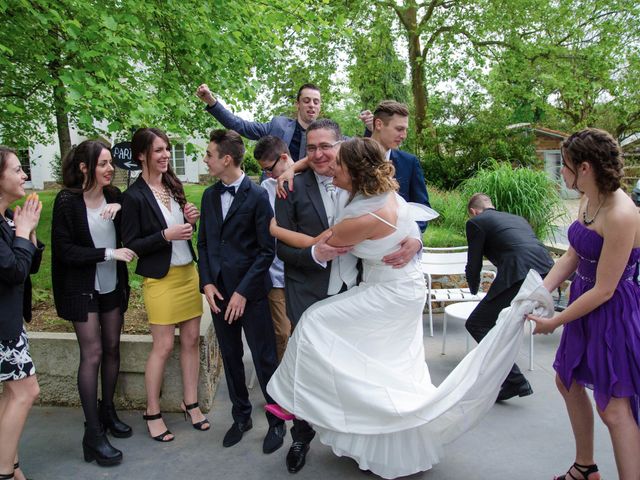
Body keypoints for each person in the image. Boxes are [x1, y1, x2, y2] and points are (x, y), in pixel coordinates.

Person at [267, 136, 551, 479]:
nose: (329, 166)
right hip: (387, 286)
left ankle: (295, 400)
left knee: (314, 324)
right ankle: (364, 439)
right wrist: (292, 167)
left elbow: (319, 242)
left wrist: (273, 229)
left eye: (338, 163)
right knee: (383, 369)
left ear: (355, 171)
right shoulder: (379, 191)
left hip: (387, 289)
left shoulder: (364, 213)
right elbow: (401, 214)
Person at [271, 120, 424, 474]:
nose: (319, 155)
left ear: (342, 150)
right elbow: (281, 248)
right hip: (310, 287)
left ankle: (360, 437)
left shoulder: (364, 187)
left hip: (361, 285)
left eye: (327, 147)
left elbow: (408, 217)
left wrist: (416, 242)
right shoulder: (290, 187)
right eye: (310, 149)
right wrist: (309, 252)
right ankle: (300, 436)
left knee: (368, 371)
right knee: (310, 347)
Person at [528, 128, 640, 480]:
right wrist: (542, 290)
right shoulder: (588, 198)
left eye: (565, 165)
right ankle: (585, 466)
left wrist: (554, 322)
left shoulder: (622, 213)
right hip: (584, 300)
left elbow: (606, 289)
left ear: (586, 168)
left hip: (612, 311)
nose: (562, 171)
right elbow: (575, 253)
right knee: (567, 380)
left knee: (614, 408)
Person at [197, 130, 285, 453]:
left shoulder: (258, 195)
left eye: (209, 154)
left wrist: (243, 292)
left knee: (264, 358)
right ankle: (241, 416)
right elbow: (204, 243)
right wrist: (206, 282)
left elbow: (266, 250)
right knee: (231, 358)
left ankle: (277, 422)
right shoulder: (208, 196)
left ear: (226, 159)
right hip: (218, 295)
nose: (205, 160)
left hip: (252, 294)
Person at [51, 140, 136, 466]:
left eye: (111, 163)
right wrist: (108, 253)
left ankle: (107, 412)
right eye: (102, 164)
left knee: (112, 347)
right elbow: (65, 251)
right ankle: (93, 434)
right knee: (94, 352)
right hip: (81, 288)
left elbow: (136, 216)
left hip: (112, 285)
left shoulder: (114, 196)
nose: (110, 168)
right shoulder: (67, 202)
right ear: (85, 167)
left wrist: (123, 208)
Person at [121, 128, 208, 443]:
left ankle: (191, 403)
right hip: (159, 278)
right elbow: (130, 243)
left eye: (167, 149)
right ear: (142, 154)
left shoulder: (174, 185)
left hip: (188, 274)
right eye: (158, 150)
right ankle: (152, 410)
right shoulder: (133, 197)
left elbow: (183, 227)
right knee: (163, 346)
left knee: (190, 341)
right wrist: (164, 236)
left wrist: (191, 219)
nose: (165, 155)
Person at [464, 193, 554, 401]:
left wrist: (473, 288)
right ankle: (506, 377)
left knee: (477, 323)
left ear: (473, 211)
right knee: (498, 321)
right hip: (545, 270)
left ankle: (514, 381)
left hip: (518, 272)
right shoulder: (516, 218)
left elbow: (474, 262)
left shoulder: (476, 222)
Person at [0, 147, 43, 480]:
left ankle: (12, 466)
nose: (24, 175)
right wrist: (21, 233)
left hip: (10, 323)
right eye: (17, 170)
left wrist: (27, 233)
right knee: (26, 392)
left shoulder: (5, 219)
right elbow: (13, 271)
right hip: (2, 328)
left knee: (12, 394)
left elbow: (28, 267)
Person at [196, 83, 321, 161]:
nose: (311, 105)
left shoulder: (325, 134)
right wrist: (212, 102)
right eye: (306, 101)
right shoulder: (277, 126)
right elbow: (241, 126)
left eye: (316, 102)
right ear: (297, 104)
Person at [253, 136, 294, 361]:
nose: (269, 175)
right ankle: (280, 382)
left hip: (304, 270)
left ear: (284, 158)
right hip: (276, 274)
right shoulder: (266, 188)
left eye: (270, 169)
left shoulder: (309, 181)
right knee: (282, 332)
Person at [366, 100, 430, 230]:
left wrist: (414, 237)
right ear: (379, 124)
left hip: (401, 243)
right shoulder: (353, 156)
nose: (404, 136)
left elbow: (422, 208)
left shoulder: (409, 162)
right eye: (399, 129)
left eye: (406, 130)